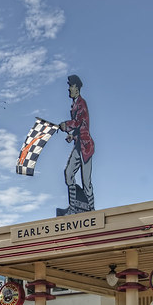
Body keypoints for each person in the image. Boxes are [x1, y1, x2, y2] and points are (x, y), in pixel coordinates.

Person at [59, 74, 95, 211]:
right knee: (68, 173)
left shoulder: (81, 103)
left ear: (77, 88)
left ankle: (91, 209)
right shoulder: (74, 105)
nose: (69, 89)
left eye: (71, 86)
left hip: (86, 147)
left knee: (86, 182)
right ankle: (73, 207)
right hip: (78, 145)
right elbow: (80, 127)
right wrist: (72, 136)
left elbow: (79, 122)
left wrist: (66, 125)